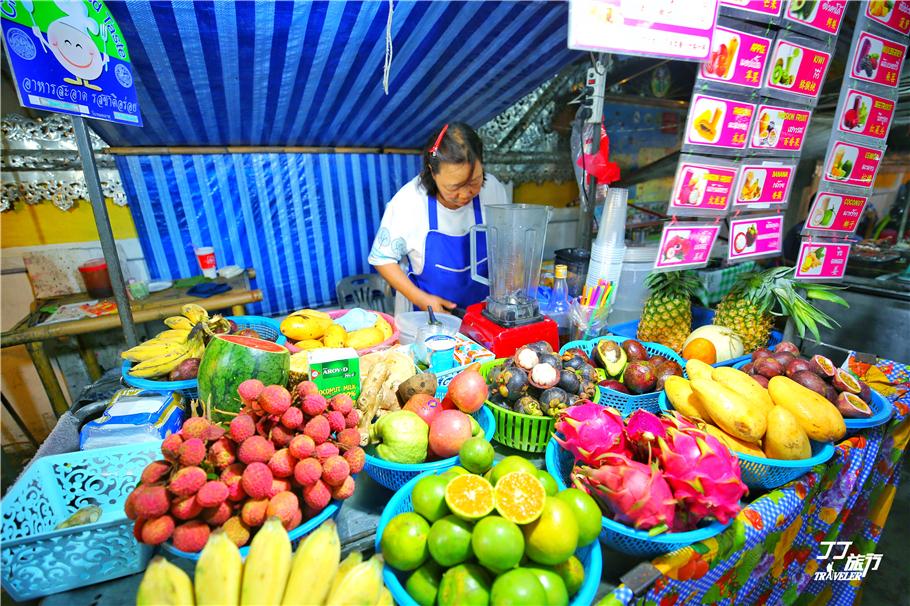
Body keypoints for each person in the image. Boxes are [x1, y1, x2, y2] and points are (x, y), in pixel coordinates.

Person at [368, 122, 510, 313]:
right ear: (432, 172)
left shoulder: (492, 189)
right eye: (454, 187)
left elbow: (507, 242)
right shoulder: (409, 202)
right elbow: (382, 258)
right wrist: (421, 299)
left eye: (474, 181)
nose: (466, 193)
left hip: (483, 314)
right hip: (428, 318)